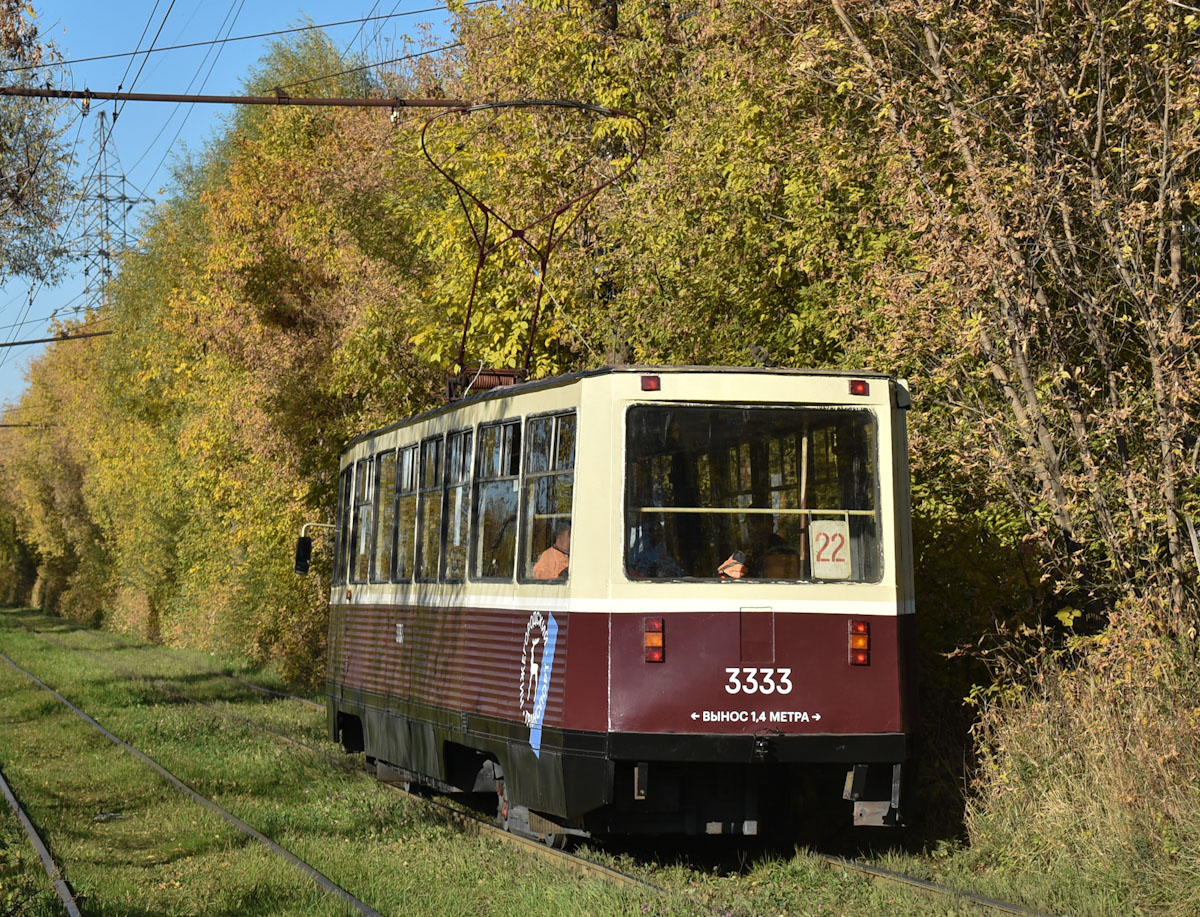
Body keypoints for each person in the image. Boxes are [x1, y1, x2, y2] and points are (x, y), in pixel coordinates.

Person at [717, 513, 794, 579]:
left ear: (770, 526)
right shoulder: (756, 549)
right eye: (748, 524)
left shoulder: (779, 549)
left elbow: (773, 583)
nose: (750, 529)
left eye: (755, 523)